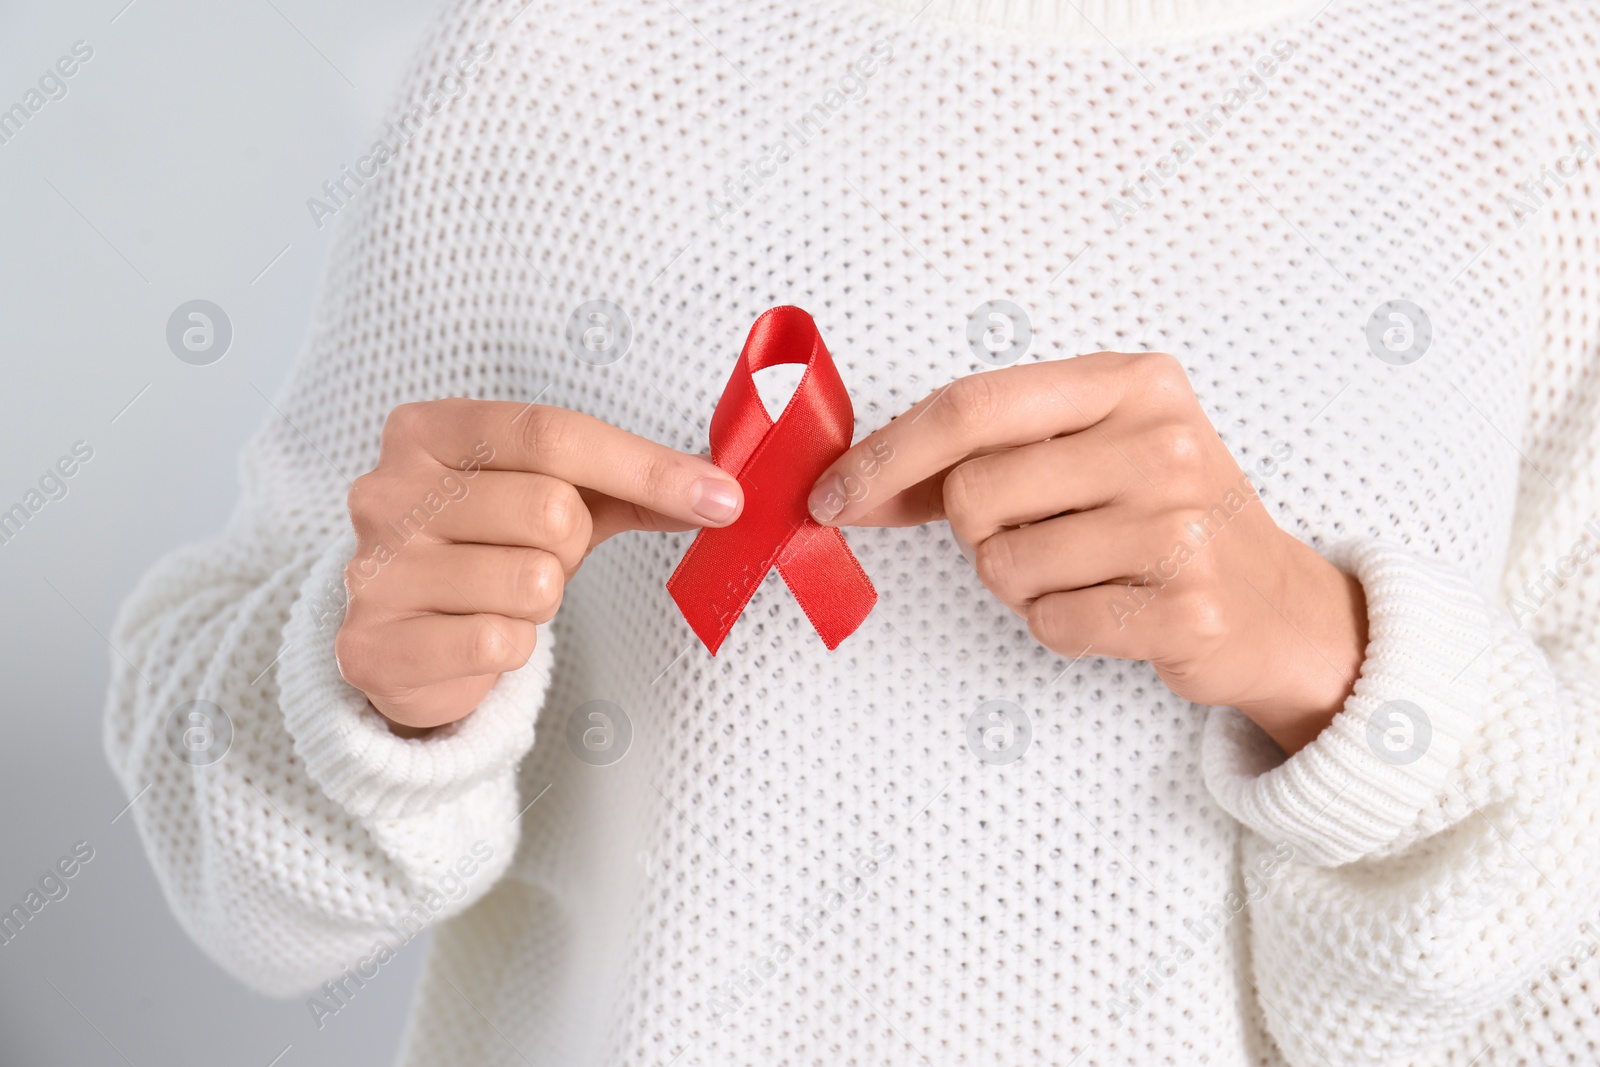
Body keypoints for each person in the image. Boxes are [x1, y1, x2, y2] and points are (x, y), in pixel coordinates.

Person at [104, 0, 1600, 1063]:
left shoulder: (1531, 69)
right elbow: (231, 842)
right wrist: (367, 695)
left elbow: (1558, 997)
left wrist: (1344, 672)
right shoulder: (550, 46)